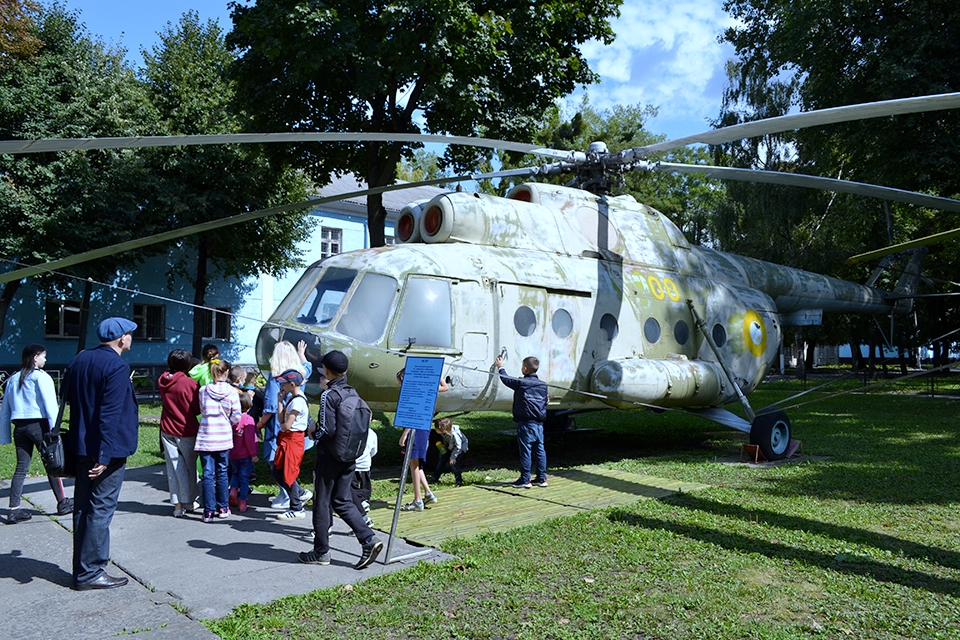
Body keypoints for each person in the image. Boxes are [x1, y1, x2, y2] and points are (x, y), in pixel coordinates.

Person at [64, 317, 139, 590]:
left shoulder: (80, 359)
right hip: (106, 450)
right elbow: (110, 415)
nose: (131, 338)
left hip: (81, 445)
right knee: (100, 510)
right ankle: (91, 572)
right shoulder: (117, 366)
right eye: (130, 334)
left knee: (83, 508)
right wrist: (104, 456)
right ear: (121, 338)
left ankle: (81, 570)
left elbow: (68, 396)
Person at [300, 350, 382, 569]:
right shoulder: (352, 392)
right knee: (342, 500)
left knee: (321, 503)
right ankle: (368, 539)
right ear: (344, 371)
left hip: (329, 457)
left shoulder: (330, 395)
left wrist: (312, 432)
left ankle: (321, 552)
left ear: (326, 370)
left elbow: (327, 430)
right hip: (350, 455)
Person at [0, 343, 73, 523]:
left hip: (19, 427)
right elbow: (50, 405)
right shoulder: (41, 377)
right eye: (43, 356)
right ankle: (62, 502)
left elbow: (5, 411)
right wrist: (55, 429)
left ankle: (14, 508)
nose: (45, 359)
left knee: (21, 468)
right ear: (35, 357)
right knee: (52, 462)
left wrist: (4, 435)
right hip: (39, 426)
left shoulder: (13, 379)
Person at [256, 340, 313, 510]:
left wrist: (259, 424)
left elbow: (271, 406)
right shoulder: (300, 374)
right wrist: (302, 353)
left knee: (277, 462)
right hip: (300, 428)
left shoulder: (276, 379)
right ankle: (291, 494)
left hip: (281, 427)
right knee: (290, 463)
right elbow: (307, 366)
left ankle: (291, 495)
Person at [195, 358, 240, 523]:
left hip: (206, 437)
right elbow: (236, 417)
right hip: (223, 437)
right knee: (222, 472)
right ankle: (223, 507)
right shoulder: (233, 392)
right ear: (226, 372)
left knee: (207, 474)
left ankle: (208, 511)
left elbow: (202, 409)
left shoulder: (203, 391)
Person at [396, 368, 447, 511]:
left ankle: (418, 500)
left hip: (415, 429)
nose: (400, 384)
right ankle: (428, 493)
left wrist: (404, 434)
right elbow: (445, 387)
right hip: (424, 428)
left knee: (413, 464)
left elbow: (413, 414)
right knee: (416, 464)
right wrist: (437, 375)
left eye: (400, 380)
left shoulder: (413, 393)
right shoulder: (427, 388)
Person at [158, 349, 201, 518]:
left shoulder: (162, 380)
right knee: (190, 467)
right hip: (186, 429)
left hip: (167, 428)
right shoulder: (190, 384)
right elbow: (197, 407)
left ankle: (177, 506)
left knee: (173, 468)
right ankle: (190, 501)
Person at [495, 355, 548, 489]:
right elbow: (546, 400)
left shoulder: (521, 383)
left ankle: (525, 479)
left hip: (526, 424)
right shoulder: (543, 385)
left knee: (526, 451)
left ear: (525, 368)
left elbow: (506, 379)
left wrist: (500, 367)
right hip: (539, 425)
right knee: (540, 450)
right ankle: (541, 478)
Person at [271, 368, 310, 520]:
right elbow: (281, 420)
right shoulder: (291, 398)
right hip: (287, 438)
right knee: (277, 470)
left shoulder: (298, 401)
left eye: (283, 383)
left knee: (289, 472)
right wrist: (279, 400)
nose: (281, 386)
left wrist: (283, 426)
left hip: (293, 439)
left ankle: (297, 507)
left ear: (292, 384)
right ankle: (299, 493)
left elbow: (286, 425)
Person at [228, 392, 258, 513]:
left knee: (235, 474)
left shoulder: (232, 419)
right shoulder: (248, 419)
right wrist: (254, 454)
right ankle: (243, 501)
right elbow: (249, 440)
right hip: (245, 455)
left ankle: (233, 491)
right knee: (244, 478)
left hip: (233, 453)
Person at [430, 417, 468, 487]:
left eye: (436, 428)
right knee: (442, 461)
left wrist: (453, 457)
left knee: (454, 464)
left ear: (442, 429)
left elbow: (458, 446)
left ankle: (458, 481)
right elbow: (445, 439)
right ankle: (435, 477)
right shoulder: (443, 432)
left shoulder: (455, 434)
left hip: (460, 449)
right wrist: (444, 445)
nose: (435, 429)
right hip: (451, 447)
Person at [351, 428, 378, 527]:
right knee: (365, 483)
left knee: (352, 486)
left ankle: (362, 501)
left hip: (354, 464)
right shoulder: (372, 433)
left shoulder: (354, 430)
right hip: (366, 463)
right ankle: (365, 500)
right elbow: (374, 450)